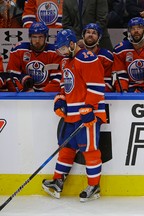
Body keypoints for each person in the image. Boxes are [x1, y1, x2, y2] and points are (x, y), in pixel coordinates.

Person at [42, 29, 106, 202]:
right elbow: (64, 85)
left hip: (88, 115)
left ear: (72, 44)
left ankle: (94, 186)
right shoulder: (66, 61)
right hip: (71, 114)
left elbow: (97, 87)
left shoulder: (87, 58)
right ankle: (57, 182)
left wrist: (89, 107)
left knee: (90, 151)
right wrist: (60, 100)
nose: (61, 52)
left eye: (63, 48)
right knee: (66, 148)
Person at [6, 21, 62, 92]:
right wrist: (23, 92)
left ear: (46, 37)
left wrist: (41, 94)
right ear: (30, 37)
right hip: (25, 92)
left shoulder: (55, 53)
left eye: (41, 37)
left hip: (46, 94)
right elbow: (12, 77)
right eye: (34, 37)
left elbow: (57, 80)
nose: (37, 41)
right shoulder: (18, 50)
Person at [82, 23, 114, 92]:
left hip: (100, 95)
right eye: (88, 32)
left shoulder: (106, 56)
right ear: (83, 36)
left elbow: (108, 83)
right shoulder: (77, 55)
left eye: (94, 33)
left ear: (99, 37)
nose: (90, 35)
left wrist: (93, 91)